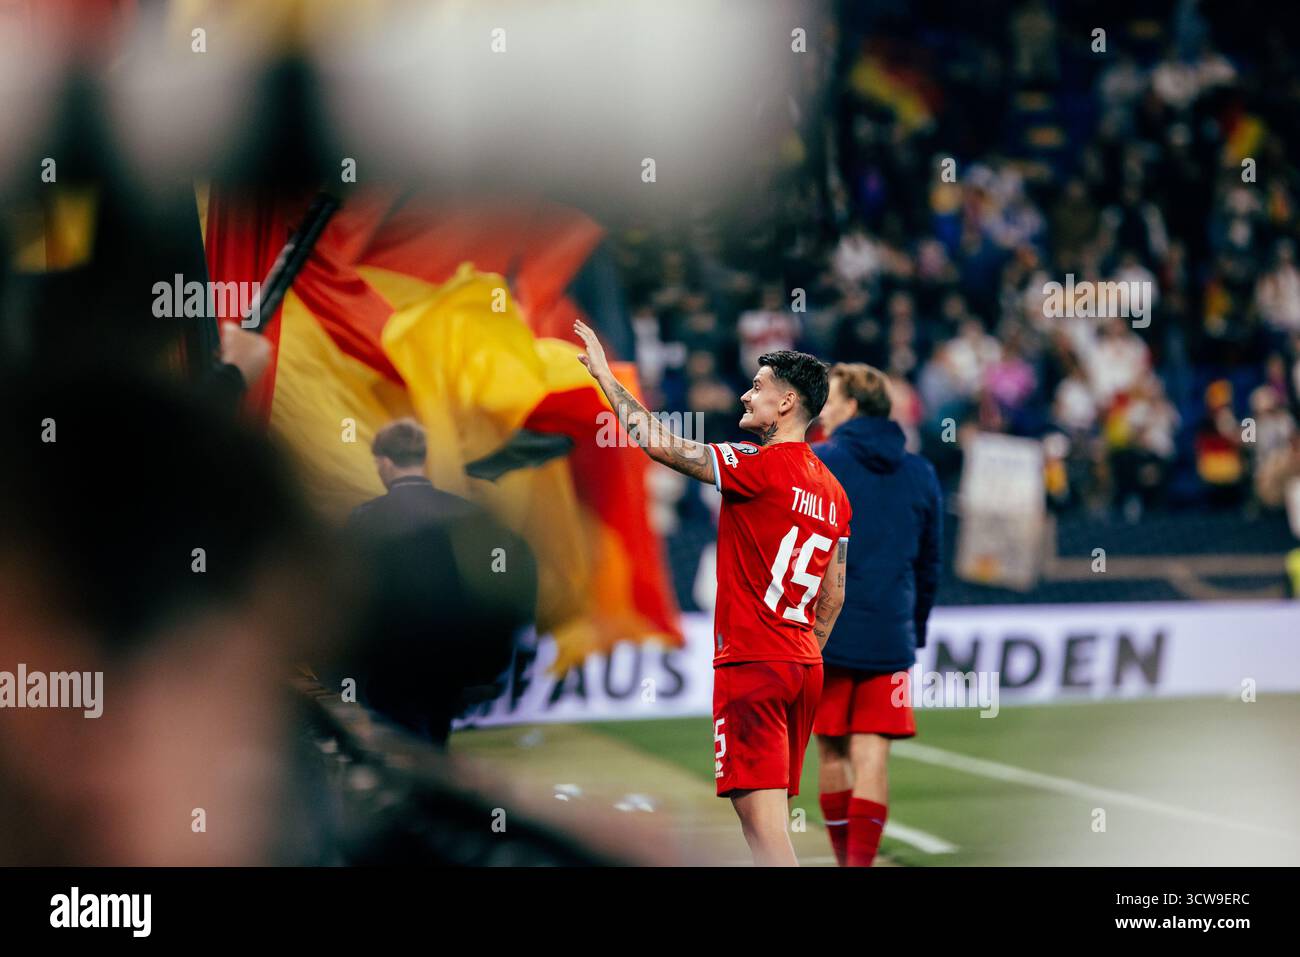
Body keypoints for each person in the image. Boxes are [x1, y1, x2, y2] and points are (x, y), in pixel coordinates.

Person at [574, 319, 850, 866]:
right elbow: (833, 596)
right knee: (768, 825)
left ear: (787, 402)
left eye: (758, 386)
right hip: (801, 666)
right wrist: (804, 648)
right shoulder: (834, 490)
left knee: (765, 833)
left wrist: (604, 377)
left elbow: (657, 445)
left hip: (753, 664)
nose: (746, 394)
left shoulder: (756, 466)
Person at [811, 363, 942, 867]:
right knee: (873, 754)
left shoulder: (819, 461)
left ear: (851, 407)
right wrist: (916, 629)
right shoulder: (920, 471)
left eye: (832, 398)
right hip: (890, 632)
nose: (824, 408)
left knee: (832, 752)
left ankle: (845, 861)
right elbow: (930, 562)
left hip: (827, 631)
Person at [345, 419, 536, 747]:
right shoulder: (465, 514)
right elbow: (498, 587)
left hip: (387, 665)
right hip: (450, 664)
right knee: (432, 742)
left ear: (385, 462)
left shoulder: (365, 518)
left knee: (396, 750)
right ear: (423, 458)